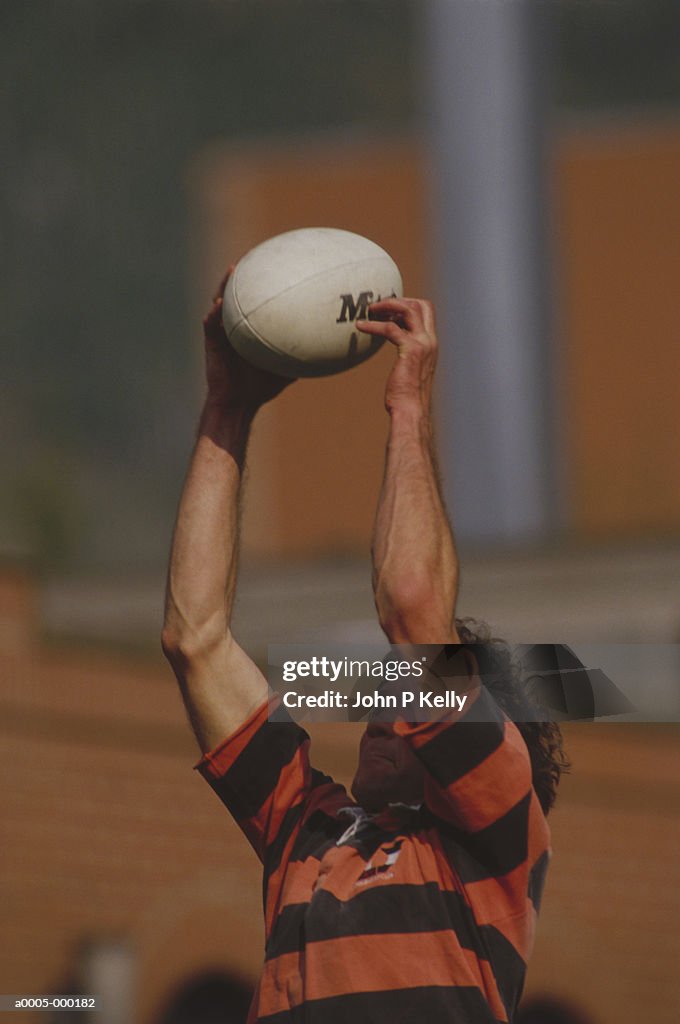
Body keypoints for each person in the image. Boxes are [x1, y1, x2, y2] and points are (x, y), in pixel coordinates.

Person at [162, 273, 567, 1023]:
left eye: (406, 700)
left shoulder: (491, 837)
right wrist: (228, 407)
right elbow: (196, 638)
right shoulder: (305, 832)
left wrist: (409, 408)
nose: (385, 708)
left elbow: (414, 609)